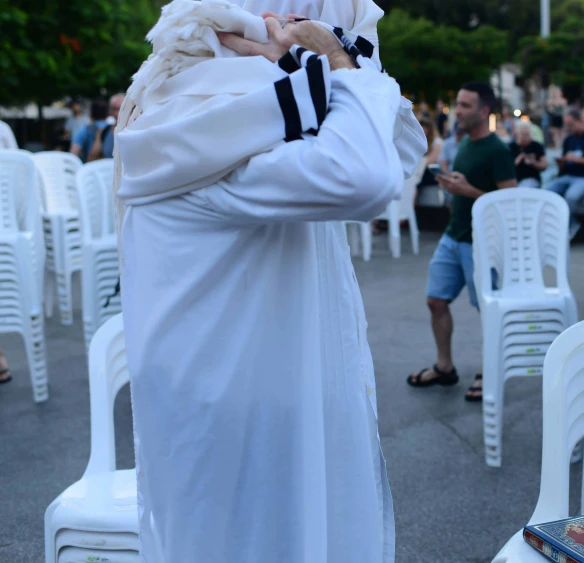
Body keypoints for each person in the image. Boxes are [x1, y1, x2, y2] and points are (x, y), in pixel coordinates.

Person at [114, 0, 425, 560]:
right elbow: (368, 175)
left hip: (254, 395)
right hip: (241, 421)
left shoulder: (211, 107)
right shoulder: (199, 121)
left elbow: (403, 146)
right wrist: (332, 58)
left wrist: (323, 64)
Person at [407, 81, 516, 401]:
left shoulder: (498, 150)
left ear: (484, 111)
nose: (458, 110)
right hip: (454, 235)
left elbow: (511, 203)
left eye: (466, 105)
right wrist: (455, 186)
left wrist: (468, 191)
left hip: (481, 243)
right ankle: (445, 368)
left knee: (487, 310)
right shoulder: (464, 143)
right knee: (435, 301)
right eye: (458, 104)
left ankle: (489, 371)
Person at [546, 108, 584, 240]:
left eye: (570, 125)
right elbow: (566, 162)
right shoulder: (569, 139)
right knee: (547, 192)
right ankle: (551, 226)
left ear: (580, 121)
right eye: (566, 125)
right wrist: (562, 162)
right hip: (568, 176)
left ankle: (569, 225)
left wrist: (576, 159)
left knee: (571, 195)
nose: (568, 128)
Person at [509, 121, 547, 188]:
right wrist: (518, 159)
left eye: (528, 135)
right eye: (523, 135)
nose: (526, 138)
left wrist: (533, 163)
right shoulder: (510, 147)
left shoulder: (536, 146)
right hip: (513, 180)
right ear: (517, 134)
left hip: (531, 179)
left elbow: (544, 165)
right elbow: (505, 167)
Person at [87, 93, 125, 162]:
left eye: (120, 108)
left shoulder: (136, 129)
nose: (117, 113)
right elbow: (92, 157)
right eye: (114, 109)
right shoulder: (104, 131)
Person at [69, 99, 109, 163]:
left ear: (90, 114)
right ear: (107, 114)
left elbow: (73, 153)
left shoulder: (84, 130)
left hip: (90, 168)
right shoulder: (112, 129)